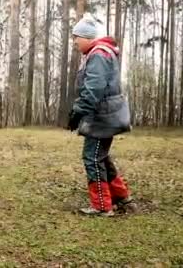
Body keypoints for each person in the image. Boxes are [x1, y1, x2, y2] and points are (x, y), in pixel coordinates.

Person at [68, 16, 137, 217]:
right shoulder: (101, 53)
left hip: (102, 117)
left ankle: (101, 206)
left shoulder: (98, 55)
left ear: (87, 37)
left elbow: (93, 89)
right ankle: (121, 197)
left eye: (76, 37)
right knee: (101, 157)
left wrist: (77, 112)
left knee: (92, 158)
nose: (74, 41)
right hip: (106, 114)